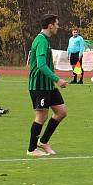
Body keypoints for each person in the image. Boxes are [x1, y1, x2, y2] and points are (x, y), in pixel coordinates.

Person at [26, 14, 68, 157]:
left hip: (48, 86)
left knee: (61, 112)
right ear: (50, 25)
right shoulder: (41, 40)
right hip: (39, 85)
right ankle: (31, 149)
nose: (58, 26)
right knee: (42, 116)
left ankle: (43, 142)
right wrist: (57, 79)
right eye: (56, 24)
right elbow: (41, 65)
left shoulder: (45, 40)